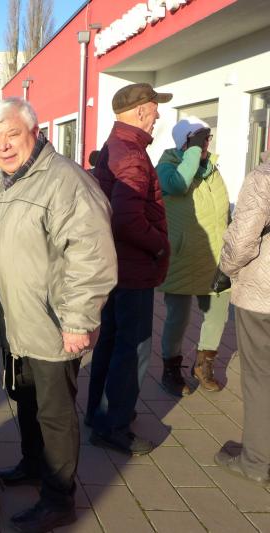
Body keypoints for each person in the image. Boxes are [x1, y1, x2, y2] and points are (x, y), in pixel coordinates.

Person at [0, 97, 117, 533]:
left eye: (12, 135)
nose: (3, 146)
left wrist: (78, 320)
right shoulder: (4, 182)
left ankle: (59, 498)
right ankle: (32, 463)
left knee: (55, 414)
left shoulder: (65, 181)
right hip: (18, 323)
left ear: (35, 133)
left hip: (53, 323)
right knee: (26, 400)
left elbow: (91, 255)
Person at [85, 83, 172, 456]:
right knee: (132, 349)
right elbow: (126, 218)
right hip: (132, 268)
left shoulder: (115, 145)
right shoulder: (132, 154)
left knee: (110, 341)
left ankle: (100, 415)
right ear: (140, 111)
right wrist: (160, 244)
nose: (158, 115)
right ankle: (114, 426)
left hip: (115, 265)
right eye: (154, 108)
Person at [156, 117, 230, 396]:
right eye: (199, 138)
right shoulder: (167, 166)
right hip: (182, 256)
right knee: (178, 318)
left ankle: (203, 364)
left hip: (214, 254)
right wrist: (193, 152)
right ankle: (170, 368)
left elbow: (223, 207)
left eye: (207, 138)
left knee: (218, 314)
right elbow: (178, 186)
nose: (206, 143)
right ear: (184, 142)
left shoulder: (211, 169)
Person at [214, 157, 270, 486]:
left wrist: (225, 269)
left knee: (260, 378)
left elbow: (242, 240)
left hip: (263, 295)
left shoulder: (264, 177)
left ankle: (256, 461)